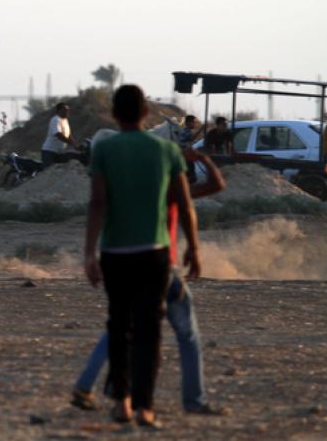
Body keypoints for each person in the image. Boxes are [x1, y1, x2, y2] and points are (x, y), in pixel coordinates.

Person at [72, 149, 225, 416]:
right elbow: (216, 185)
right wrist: (204, 160)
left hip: (128, 262)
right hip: (163, 266)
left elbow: (99, 207)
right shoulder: (172, 192)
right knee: (187, 335)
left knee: (120, 329)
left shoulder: (131, 190)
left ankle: (86, 385)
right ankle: (193, 400)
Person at [84, 84, 200, 428]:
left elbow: (97, 203)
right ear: (146, 113)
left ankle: (122, 402)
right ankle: (145, 408)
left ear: (115, 115)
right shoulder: (166, 150)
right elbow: (184, 202)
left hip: (115, 252)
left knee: (119, 327)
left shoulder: (103, 150)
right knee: (150, 331)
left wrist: (89, 252)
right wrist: (194, 246)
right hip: (155, 254)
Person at [41, 102, 76, 167]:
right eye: (65, 110)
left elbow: (68, 134)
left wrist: (74, 144)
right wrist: (69, 142)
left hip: (59, 152)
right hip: (49, 152)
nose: (67, 111)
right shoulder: (55, 120)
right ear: (59, 111)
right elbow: (58, 134)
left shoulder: (65, 120)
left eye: (68, 110)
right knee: (48, 171)